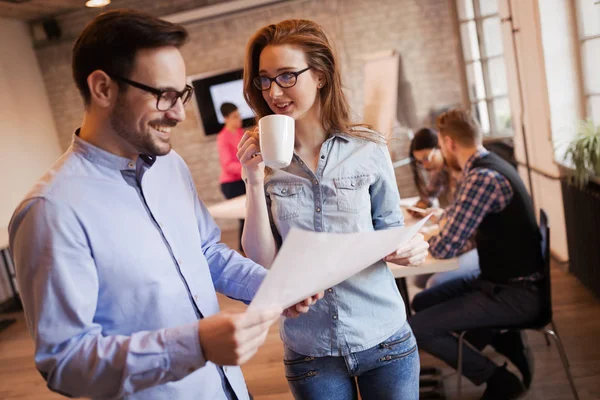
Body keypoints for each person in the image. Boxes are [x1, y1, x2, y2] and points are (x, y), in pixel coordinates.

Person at [8, 10, 321, 400]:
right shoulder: (49, 211)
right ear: (103, 88)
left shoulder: (171, 167)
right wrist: (196, 345)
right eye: (164, 96)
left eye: (183, 94)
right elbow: (65, 361)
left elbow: (206, 252)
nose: (179, 113)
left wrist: (275, 288)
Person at [236, 19, 430, 400]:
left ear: (321, 75)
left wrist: (414, 247)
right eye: (264, 79)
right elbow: (262, 263)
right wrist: (253, 181)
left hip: (385, 338)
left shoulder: (369, 148)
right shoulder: (261, 160)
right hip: (311, 351)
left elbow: (391, 229)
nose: (274, 91)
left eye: (287, 76)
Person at [408, 109, 544, 400]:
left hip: (514, 293)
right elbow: (458, 221)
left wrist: (414, 240)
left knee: (416, 328)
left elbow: (446, 247)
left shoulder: (482, 177)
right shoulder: (488, 166)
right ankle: (501, 337)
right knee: (421, 300)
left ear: (449, 143)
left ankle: (498, 380)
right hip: (499, 280)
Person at [408, 127, 480, 289]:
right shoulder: (440, 171)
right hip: (462, 233)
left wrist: (430, 240)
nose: (425, 166)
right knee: (419, 279)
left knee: (434, 282)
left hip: (476, 242)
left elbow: (465, 227)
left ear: (442, 146)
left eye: (427, 158)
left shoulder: (469, 175)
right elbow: (429, 198)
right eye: (420, 162)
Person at [217, 102, 246, 250]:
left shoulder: (241, 132)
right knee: (246, 217)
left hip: (243, 179)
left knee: (250, 216)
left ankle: (247, 250)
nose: (238, 119)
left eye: (238, 115)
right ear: (226, 118)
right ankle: (245, 251)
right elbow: (227, 164)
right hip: (231, 184)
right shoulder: (223, 138)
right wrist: (247, 167)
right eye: (235, 116)